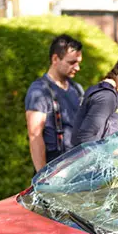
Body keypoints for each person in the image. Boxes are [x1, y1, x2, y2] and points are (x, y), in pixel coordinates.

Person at [25, 35, 85, 171]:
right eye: (72, 62)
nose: (77, 68)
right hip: (55, 172)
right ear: (55, 59)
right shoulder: (39, 91)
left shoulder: (77, 89)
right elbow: (35, 135)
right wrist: (42, 178)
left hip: (78, 169)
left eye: (79, 62)